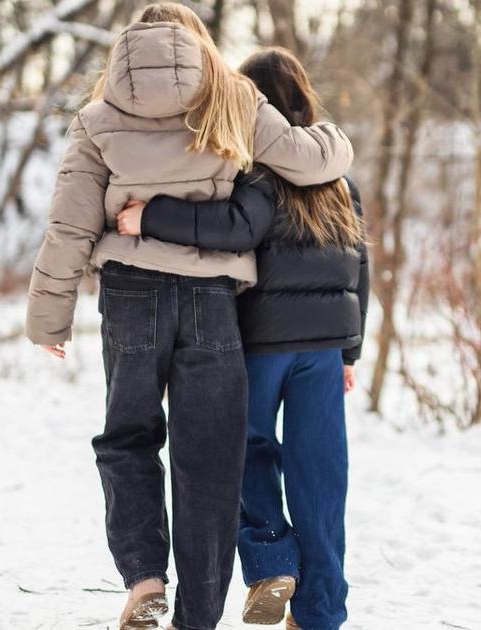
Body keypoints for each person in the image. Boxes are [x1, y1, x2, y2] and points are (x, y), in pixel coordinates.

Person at [24, 4, 355, 629]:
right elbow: (311, 163)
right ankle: (197, 618)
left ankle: (146, 579)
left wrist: (50, 319)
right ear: (196, 42)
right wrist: (338, 138)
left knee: (128, 439)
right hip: (210, 301)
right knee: (209, 459)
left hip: (130, 295)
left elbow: (69, 223)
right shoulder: (231, 100)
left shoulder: (98, 115)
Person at [117, 47, 368, 630]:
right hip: (325, 349)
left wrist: (149, 215)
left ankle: (273, 560)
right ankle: (321, 612)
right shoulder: (338, 178)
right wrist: (350, 351)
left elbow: (229, 232)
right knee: (321, 478)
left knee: (241, 455)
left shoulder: (247, 168)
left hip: (257, 344)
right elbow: (359, 268)